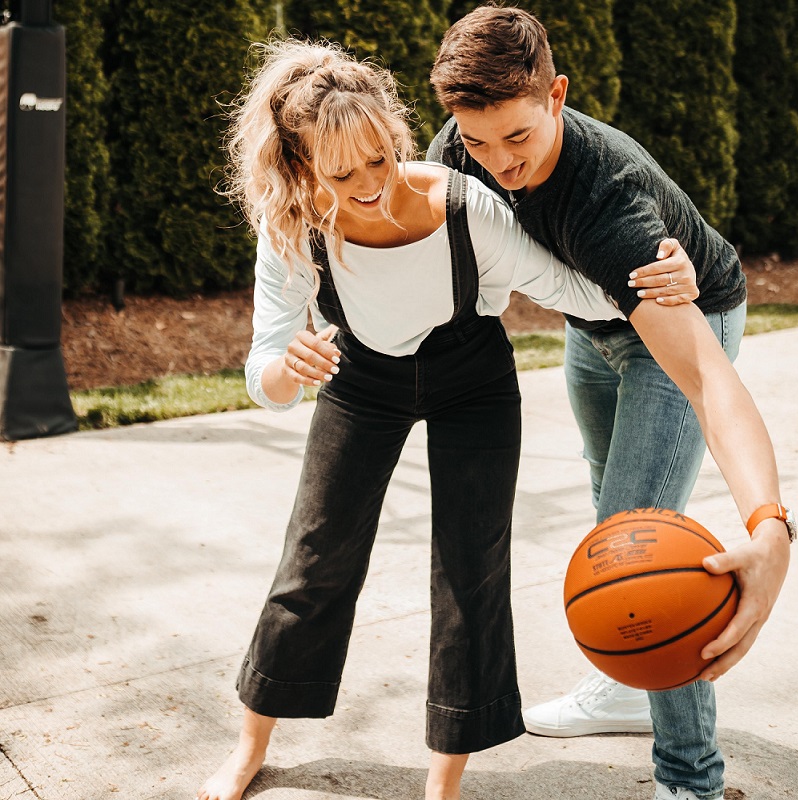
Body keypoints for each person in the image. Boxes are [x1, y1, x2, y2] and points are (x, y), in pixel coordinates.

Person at [196, 37, 694, 800]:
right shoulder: (292, 227)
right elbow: (265, 372)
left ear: (394, 140)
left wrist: (659, 274)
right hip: (359, 379)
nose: (368, 185)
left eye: (379, 160)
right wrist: (283, 369)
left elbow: (572, 288)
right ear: (302, 171)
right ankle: (248, 747)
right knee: (314, 561)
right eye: (341, 172)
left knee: (471, 572)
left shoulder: (466, 211)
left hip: (473, 381)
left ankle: (444, 784)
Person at [428, 6, 793, 800]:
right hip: (591, 327)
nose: (498, 164)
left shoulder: (608, 202)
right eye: (479, 143)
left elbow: (705, 379)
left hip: (681, 315)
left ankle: (691, 780)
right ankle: (626, 691)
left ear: (556, 94)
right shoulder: (455, 153)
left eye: (518, 138)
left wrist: (772, 527)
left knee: (641, 552)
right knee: (610, 502)